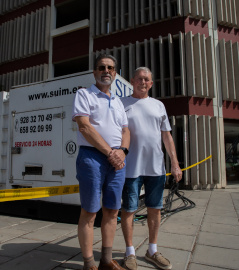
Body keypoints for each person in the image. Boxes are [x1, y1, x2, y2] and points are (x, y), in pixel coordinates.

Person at [120, 67, 183, 270]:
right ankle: (130, 252)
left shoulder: (159, 105)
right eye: (139, 79)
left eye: (147, 79)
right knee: (129, 210)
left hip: (156, 168)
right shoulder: (122, 104)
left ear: (151, 83)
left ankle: (152, 251)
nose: (143, 82)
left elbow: (167, 136)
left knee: (155, 209)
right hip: (131, 169)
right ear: (132, 81)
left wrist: (175, 163)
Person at [72, 54, 130, 270]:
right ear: (95, 72)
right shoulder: (84, 94)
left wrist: (122, 151)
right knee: (89, 211)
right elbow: (84, 127)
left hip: (117, 160)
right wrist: (111, 153)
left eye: (111, 68)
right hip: (92, 157)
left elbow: (126, 130)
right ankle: (89, 264)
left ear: (115, 73)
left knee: (112, 210)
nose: (107, 70)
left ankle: (106, 261)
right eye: (102, 67)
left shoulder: (117, 101)